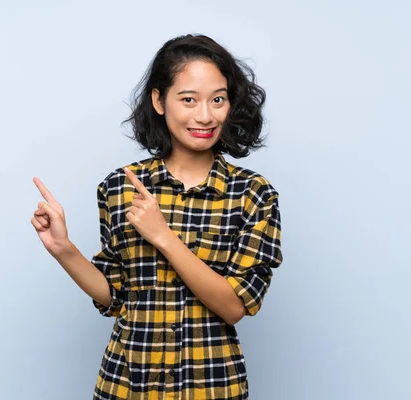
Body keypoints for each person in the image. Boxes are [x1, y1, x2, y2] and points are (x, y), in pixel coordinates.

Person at [31, 34, 283, 400]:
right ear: (159, 101)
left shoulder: (252, 195)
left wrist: (163, 236)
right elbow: (115, 296)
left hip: (211, 387)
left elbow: (233, 307)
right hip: (126, 385)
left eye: (218, 99)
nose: (205, 115)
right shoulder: (120, 187)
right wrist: (63, 249)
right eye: (188, 100)